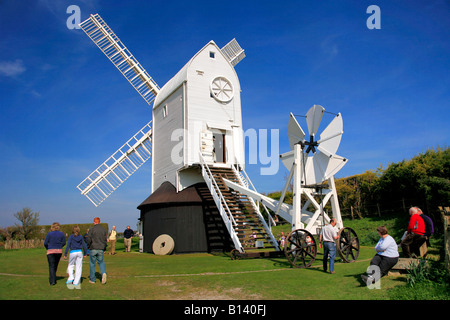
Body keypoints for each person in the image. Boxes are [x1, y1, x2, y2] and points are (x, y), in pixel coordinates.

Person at [86, 217, 107, 284]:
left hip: (93, 248)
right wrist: (104, 248)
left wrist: (88, 246)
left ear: (94, 222)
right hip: (100, 248)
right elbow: (105, 240)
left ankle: (92, 279)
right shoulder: (103, 230)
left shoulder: (91, 229)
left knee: (92, 263)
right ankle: (103, 273)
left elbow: (88, 239)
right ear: (99, 222)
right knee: (101, 262)